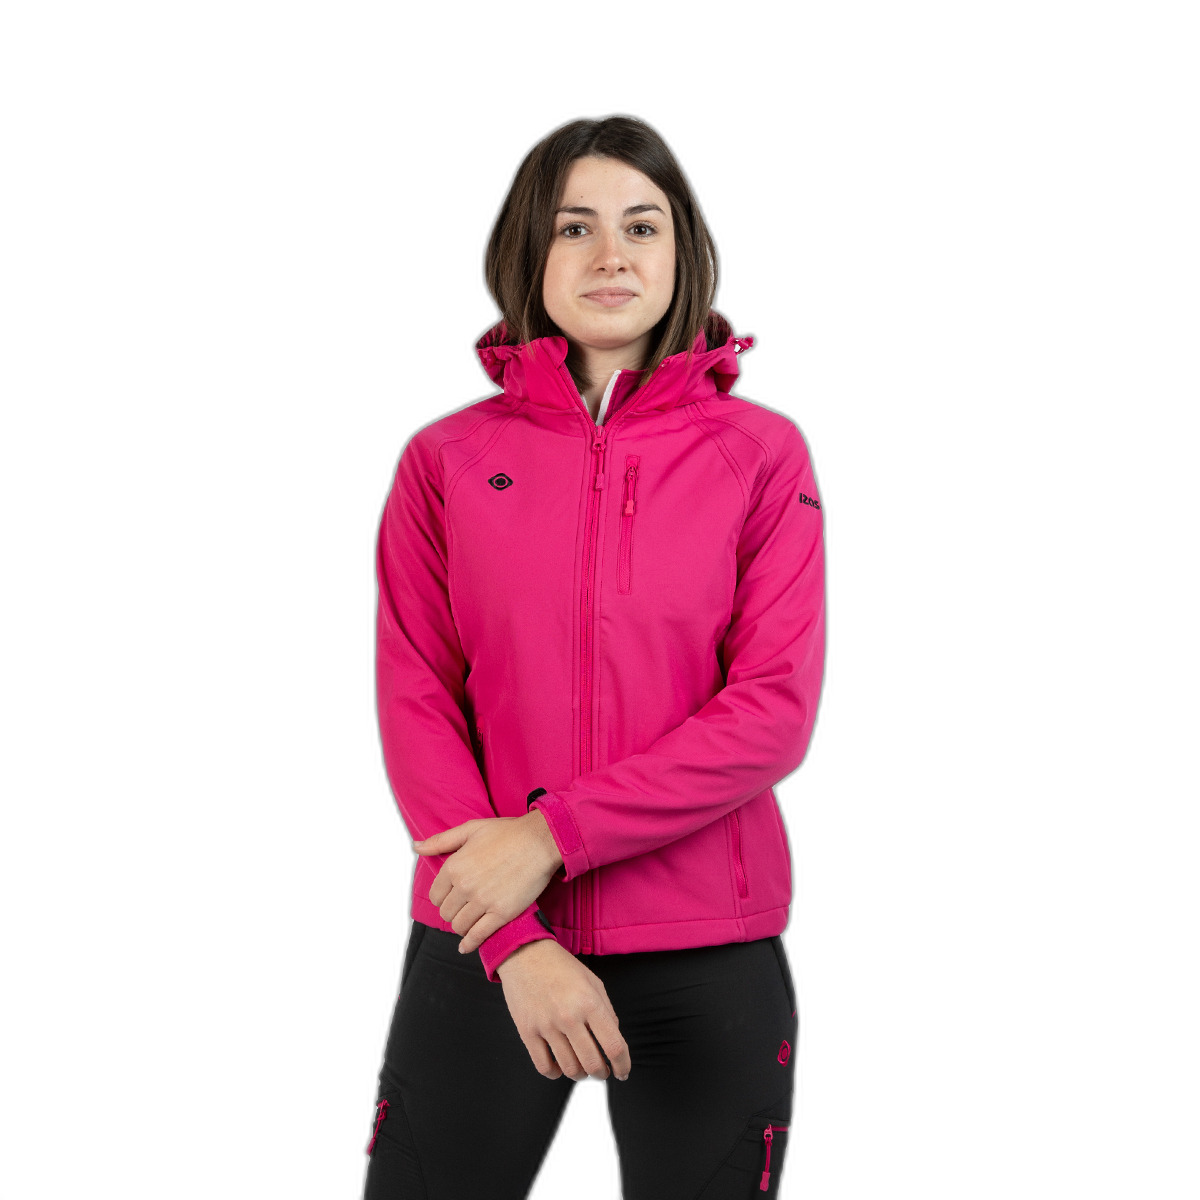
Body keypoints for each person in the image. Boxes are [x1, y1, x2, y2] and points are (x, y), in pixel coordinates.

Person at [362, 115, 825, 1199]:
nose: (611, 254)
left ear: (681, 252)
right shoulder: (446, 460)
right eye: (575, 227)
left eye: (641, 226)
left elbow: (771, 711)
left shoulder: (761, 456)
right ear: (530, 251)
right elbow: (418, 701)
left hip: (707, 949)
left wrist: (550, 837)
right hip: (486, 937)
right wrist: (515, 939)